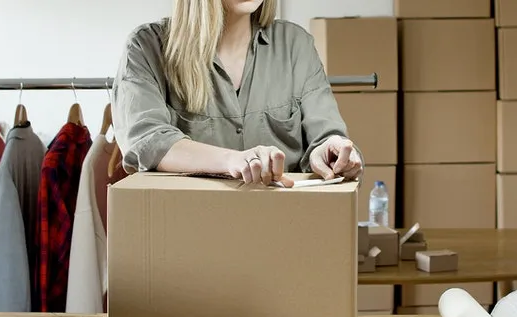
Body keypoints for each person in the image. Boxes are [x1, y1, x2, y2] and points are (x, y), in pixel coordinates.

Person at [112, 0, 363, 187]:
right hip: (186, 235)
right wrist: (233, 161)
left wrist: (331, 151)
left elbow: (325, 136)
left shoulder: (296, 45)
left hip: (285, 233)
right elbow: (147, 142)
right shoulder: (146, 47)